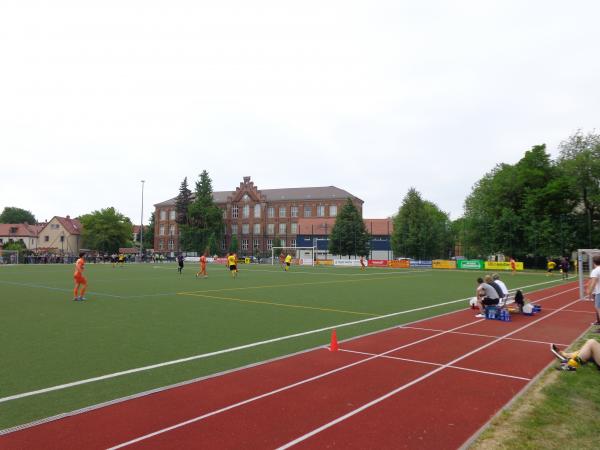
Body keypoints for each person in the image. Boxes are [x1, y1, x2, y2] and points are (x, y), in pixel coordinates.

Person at [587, 255, 600, 327]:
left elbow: (593, 282)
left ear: (593, 262)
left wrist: (589, 292)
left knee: (599, 309)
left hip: (599, 292)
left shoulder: (595, 271)